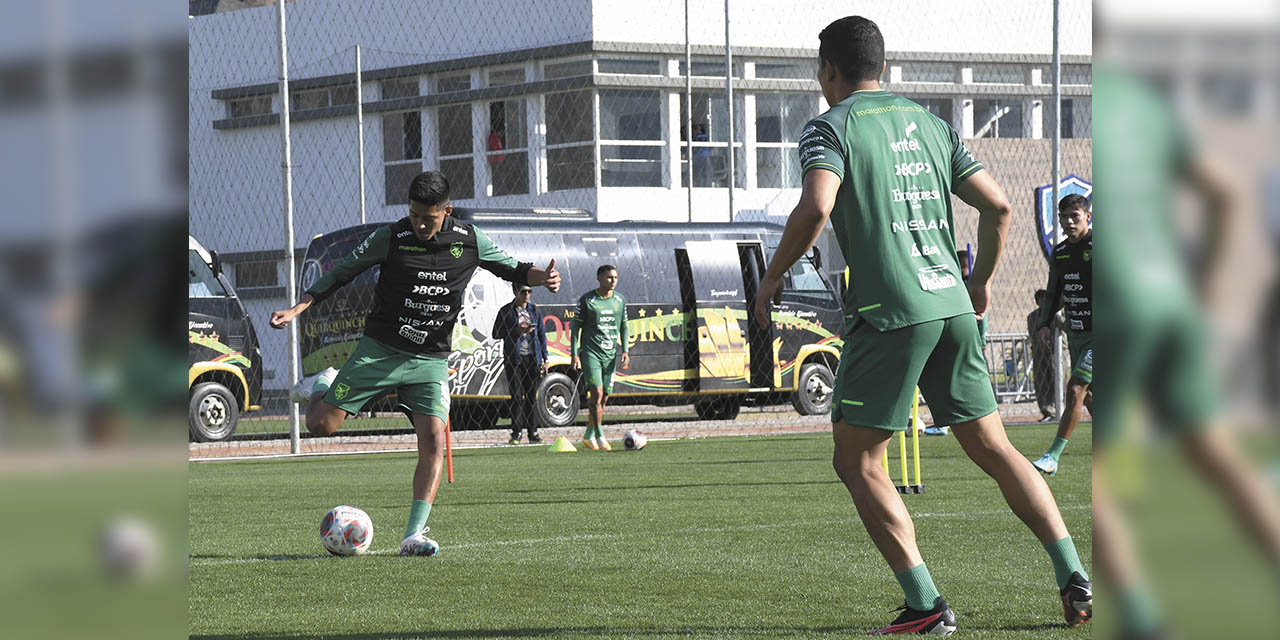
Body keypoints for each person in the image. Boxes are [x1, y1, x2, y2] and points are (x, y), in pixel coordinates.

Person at [754, 16, 1090, 634]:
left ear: (827, 70)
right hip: (953, 307)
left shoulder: (829, 127)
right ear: (881, 65)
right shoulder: (931, 124)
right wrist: (982, 278)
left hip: (891, 314)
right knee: (996, 449)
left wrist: (772, 278)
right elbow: (1000, 204)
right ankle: (1073, 573)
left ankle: (926, 603)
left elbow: (819, 204)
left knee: (857, 462)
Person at [268, 170, 560, 557]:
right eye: (415, 214)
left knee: (433, 440)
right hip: (380, 350)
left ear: (447, 211)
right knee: (321, 424)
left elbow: (514, 268)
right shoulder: (392, 236)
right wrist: (298, 307)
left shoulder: (469, 240)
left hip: (430, 359)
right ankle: (323, 384)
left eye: (429, 217)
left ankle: (413, 535)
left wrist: (544, 277)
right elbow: (341, 273)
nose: (420, 223)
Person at [1031, 194, 1092, 476]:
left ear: (1087, 217)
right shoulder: (1061, 252)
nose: (1069, 222)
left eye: (1075, 216)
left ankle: (1052, 456)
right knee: (1090, 398)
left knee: (1075, 389)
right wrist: (1044, 324)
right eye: (1064, 217)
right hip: (1077, 333)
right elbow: (1054, 291)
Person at [571, 264, 629, 451]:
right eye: (609, 277)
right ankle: (600, 435)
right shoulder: (588, 300)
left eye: (615, 277)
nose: (613, 281)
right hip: (591, 354)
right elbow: (575, 329)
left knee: (604, 397)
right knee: (596, 393)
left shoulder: (620, 300)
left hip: (610, 355)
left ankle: (588, 435)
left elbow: (624, 326)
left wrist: (625, 351)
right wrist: (574, 354)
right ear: (599, 278)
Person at [493, 282, 548, 445]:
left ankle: (533, 432)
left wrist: (545, 358)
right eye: (524, 292)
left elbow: (541, 335)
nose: (527, 295)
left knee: (532, 396)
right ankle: (516, 433)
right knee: (516, 396)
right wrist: (516, 331)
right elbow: (496, 333)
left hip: (532, 358)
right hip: (514, 359)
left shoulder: (535, 310)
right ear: (515, 291)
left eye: (530, 292)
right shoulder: (506, 311)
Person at [1027, 289, 1060, 422]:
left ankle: (1059, 407)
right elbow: (1033, 333)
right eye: (1040, 300)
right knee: (1042, 381)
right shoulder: (1033, 316)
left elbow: (1063, 327)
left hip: (1056, 352)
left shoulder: (1057, 313)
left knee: (1057, 379)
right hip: (1040, 352)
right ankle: (1047, 411)